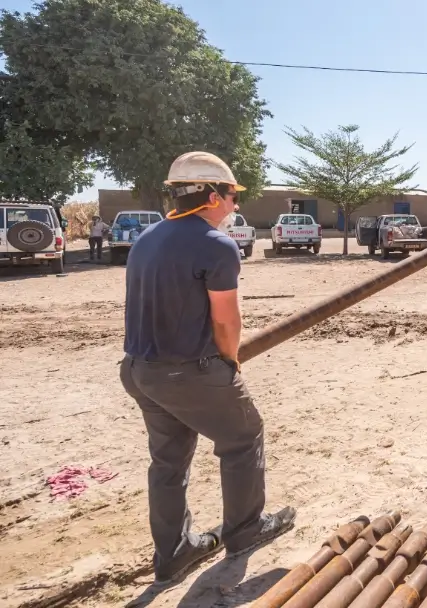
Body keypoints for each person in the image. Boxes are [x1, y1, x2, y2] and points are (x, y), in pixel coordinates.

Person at [119, 151, 295, 584]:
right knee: (243, 437)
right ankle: (245, 530)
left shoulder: (147, 237)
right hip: (188, 373)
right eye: (232, 195)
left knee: (168, 461)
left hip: (140, 369)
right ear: (211, 195)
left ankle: (173, 552)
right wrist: (230, 362)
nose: (235, 205)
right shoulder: (216, 245)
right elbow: (225, 320)